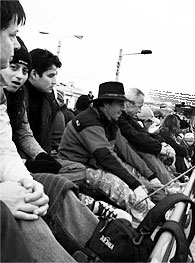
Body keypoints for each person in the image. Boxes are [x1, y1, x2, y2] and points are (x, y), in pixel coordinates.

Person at [0, 3, 99, 261]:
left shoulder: (33, 99)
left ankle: (106, 244)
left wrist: (26, 180)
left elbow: (6, 145)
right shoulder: (19, 97)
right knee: (24, 211)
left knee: (52, 187)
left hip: (21, 169)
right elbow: (20, 138)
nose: (14, 45)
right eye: (11, 35)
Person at [58, 81, 158, 216]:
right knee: (114, 183)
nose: (123, 108)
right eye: (120, 104)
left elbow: (126, 151)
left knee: (136, 177)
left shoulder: (110, 122)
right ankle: (157, 214)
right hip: (75, 170)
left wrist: (149, 177)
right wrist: (134, 185)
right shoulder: (88, 121)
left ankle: (163, 196)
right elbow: (105, 157)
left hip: (93, 167)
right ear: (106, 104)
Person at [1, 36, 62, 174]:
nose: (20, 76)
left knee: (75, 170)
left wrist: (42, 156)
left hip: (14, 163)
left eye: (24, 71)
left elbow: (24, 133)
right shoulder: (13, 95)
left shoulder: (20, 97)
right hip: (12, 165)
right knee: (59, 184)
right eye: (14, 67)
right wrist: (27, 164)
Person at [117, 87, 175, 184]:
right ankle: (170, 185)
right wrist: (161, 148)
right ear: (128, 104)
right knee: (147, 153)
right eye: (139, 106)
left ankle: (170, 184)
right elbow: (136, 137)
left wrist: (161, 144)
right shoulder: (120, 119)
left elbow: (141, 133)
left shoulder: (125, 117)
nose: (140, 111)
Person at [24, 48, 64, 154]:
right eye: (50, 76)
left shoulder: (49, 102)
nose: (54, 82)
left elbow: (45, 141)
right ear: (34, 74)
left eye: (55, 76)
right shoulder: (17, 96)